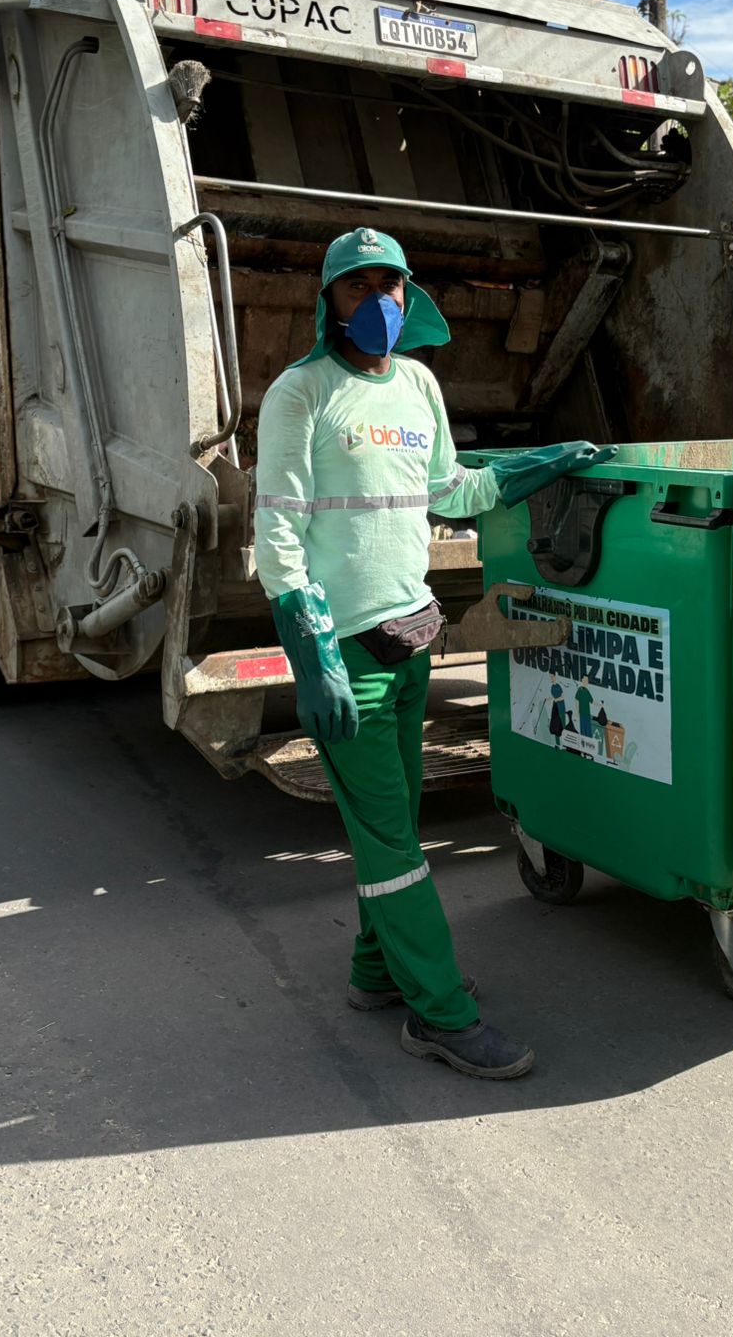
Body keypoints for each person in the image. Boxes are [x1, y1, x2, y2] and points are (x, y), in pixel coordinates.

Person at [254, 226, 615, 1080]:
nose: (376, 301)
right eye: (357, 287)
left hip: (416, 636)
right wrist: (313, 656)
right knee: (390, 844)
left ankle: (377, 973)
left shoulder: (418, 381)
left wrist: (541, 464)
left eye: (390, 285)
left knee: (396, 831)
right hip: (352, 653)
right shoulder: (300, 394)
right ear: (328, 302)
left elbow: (453, 492)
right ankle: (439, 1014)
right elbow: (277, 531)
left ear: (410, 296)